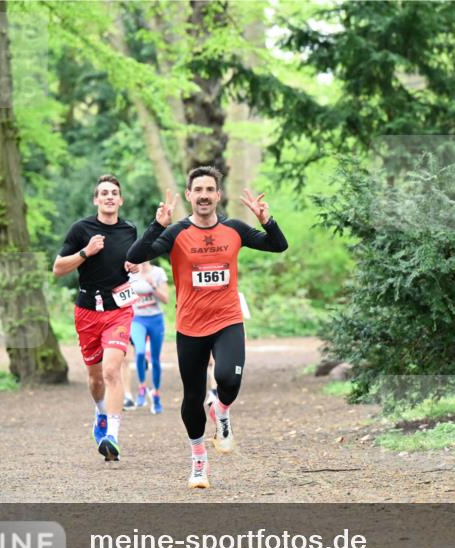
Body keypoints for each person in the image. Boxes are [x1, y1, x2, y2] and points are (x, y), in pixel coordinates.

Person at [127, 166, 287, 489]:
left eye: (209, 190)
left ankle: (222, 410)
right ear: (189, 195)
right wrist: (157, 226)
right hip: (190, 326)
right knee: (193, 396)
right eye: (197, 190)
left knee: (228, 379)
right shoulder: (176, 234)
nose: (203, 195)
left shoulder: (234, 229)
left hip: (227, 319)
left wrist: (266, 220)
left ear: (218, 195)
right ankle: (199, 460)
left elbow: (278, 245)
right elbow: (134, 255)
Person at [53, 174, 139, 462]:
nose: (109, 197)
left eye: (114, 192)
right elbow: (58, 268)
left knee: (112, 370)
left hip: (119, 310)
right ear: (96, 199)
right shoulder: (81, 229)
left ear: (121, 199)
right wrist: (85, 252)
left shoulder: (129, 230)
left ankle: (112, 436)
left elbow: (132, 262)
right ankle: (101, 412)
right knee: (94, 378)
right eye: (104, 193)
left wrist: (134, 265)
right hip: (88, 311)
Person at [129, 259, 169, 413]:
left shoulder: (158, 272)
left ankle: (156, 394)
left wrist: (153, 285)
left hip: (156, 319)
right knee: (139, 352)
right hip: (137, 319)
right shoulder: (131, 273)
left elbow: (166, 299)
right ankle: (142, 387)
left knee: (155, 360)